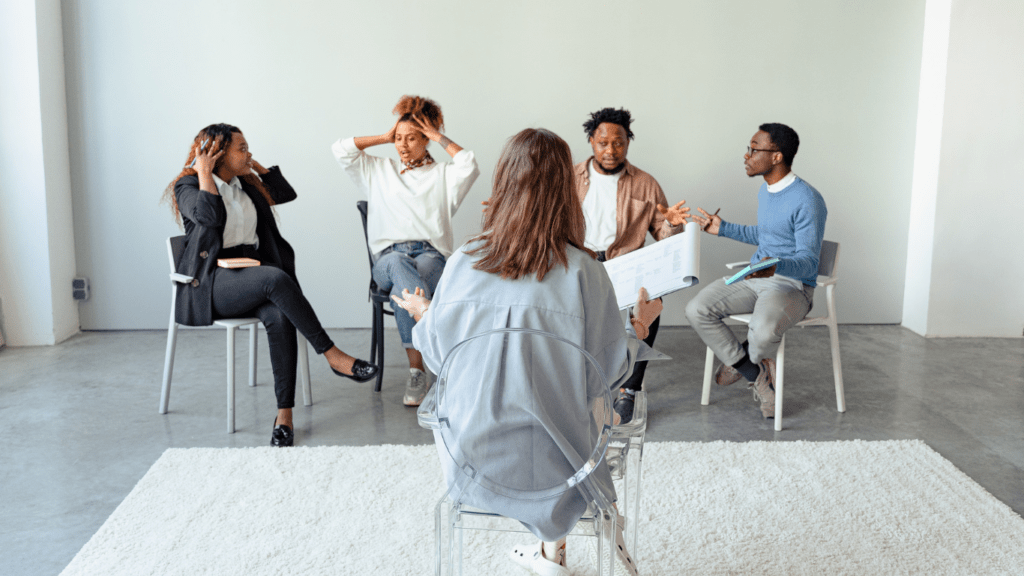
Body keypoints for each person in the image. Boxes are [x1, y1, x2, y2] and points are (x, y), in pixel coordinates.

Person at [393, 128, 657, 576]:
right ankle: (552, 549)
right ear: (566, 191)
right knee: (575, 406)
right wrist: (639, 328)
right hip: (562, 474)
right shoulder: (584, 273)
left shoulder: (463, 261)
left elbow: (441, 361)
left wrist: (426, 313)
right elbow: (604, 376)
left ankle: (549, 555)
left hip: (471, 463)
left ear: (503, 183)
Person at [164, 123, 378, 447]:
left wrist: (257, 168)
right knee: (277, 278)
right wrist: (205, 172)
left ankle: (284, 416)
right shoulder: (189, 185)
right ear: (217, 153)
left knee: (279, 316)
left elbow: (284, 194)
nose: (248, 153)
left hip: (252, 274)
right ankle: (332, 354)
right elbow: (206, 216)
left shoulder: (246, 185)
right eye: (242, 148)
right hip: (211, 282)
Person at [333, 95, 480, 407]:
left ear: (426, 139)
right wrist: (385, 136)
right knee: (400, 265)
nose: (401, 145)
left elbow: (468, 163)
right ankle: (435, 363)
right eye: (397, 139)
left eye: (411, 138)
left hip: (431, 256)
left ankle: (417, 372)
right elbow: (341, 149)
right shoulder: (377, 170)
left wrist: (439, 136)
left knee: (413, 281)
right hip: (388, 259)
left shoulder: (444, 176)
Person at [687, 123, 827, 419]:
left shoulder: (807, 200)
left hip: (791, 285)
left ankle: (744, 358)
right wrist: (723, 229)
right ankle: (755, 372)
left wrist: (776, 265)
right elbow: (766, 235)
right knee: (697, 308)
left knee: (762, 334)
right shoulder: (767, 190)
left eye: (754, 149)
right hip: (755, 277)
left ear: (776, 156)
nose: (746, 155)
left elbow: (808, 263)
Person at [575, 107, 690, 423]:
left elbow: (663, 235)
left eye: (619, 143)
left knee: (651, 301)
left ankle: (629, 390)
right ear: (591, 141)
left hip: (625, 264)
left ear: (628, 143)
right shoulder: (570, 178)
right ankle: (579, 387)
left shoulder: (645, 184)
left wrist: (673, 224)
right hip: (581, 263)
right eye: (603, 143)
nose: (610, 151)